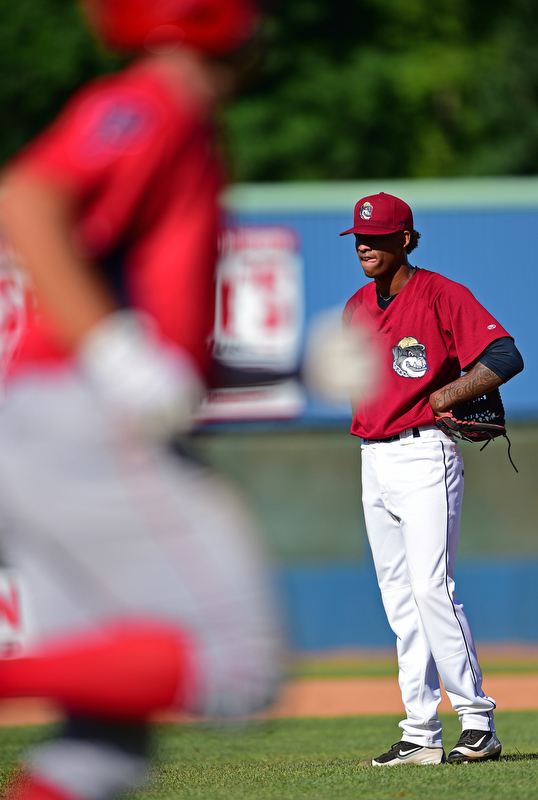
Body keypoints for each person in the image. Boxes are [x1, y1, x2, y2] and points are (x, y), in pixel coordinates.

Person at [0, 3, 283, 800]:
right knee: (239, 661)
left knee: (102, 751)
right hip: (84, 419)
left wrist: (276, 372)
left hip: (53, 416)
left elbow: (151, 309)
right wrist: (115, 354)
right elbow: (24, 197)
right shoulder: (155, 101)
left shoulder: (179, 114)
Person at [340, 192, 523, 766]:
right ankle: (420, 732)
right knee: (400, 601)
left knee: (431, 589)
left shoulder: (441, 294)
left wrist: (451, 391)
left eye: (377, 236)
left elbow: (505, 355)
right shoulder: (355, 309)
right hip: (373, 456)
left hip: (424, 454)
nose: (365, 245)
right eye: (359, 238)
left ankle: (477, 720)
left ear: (405, 239)